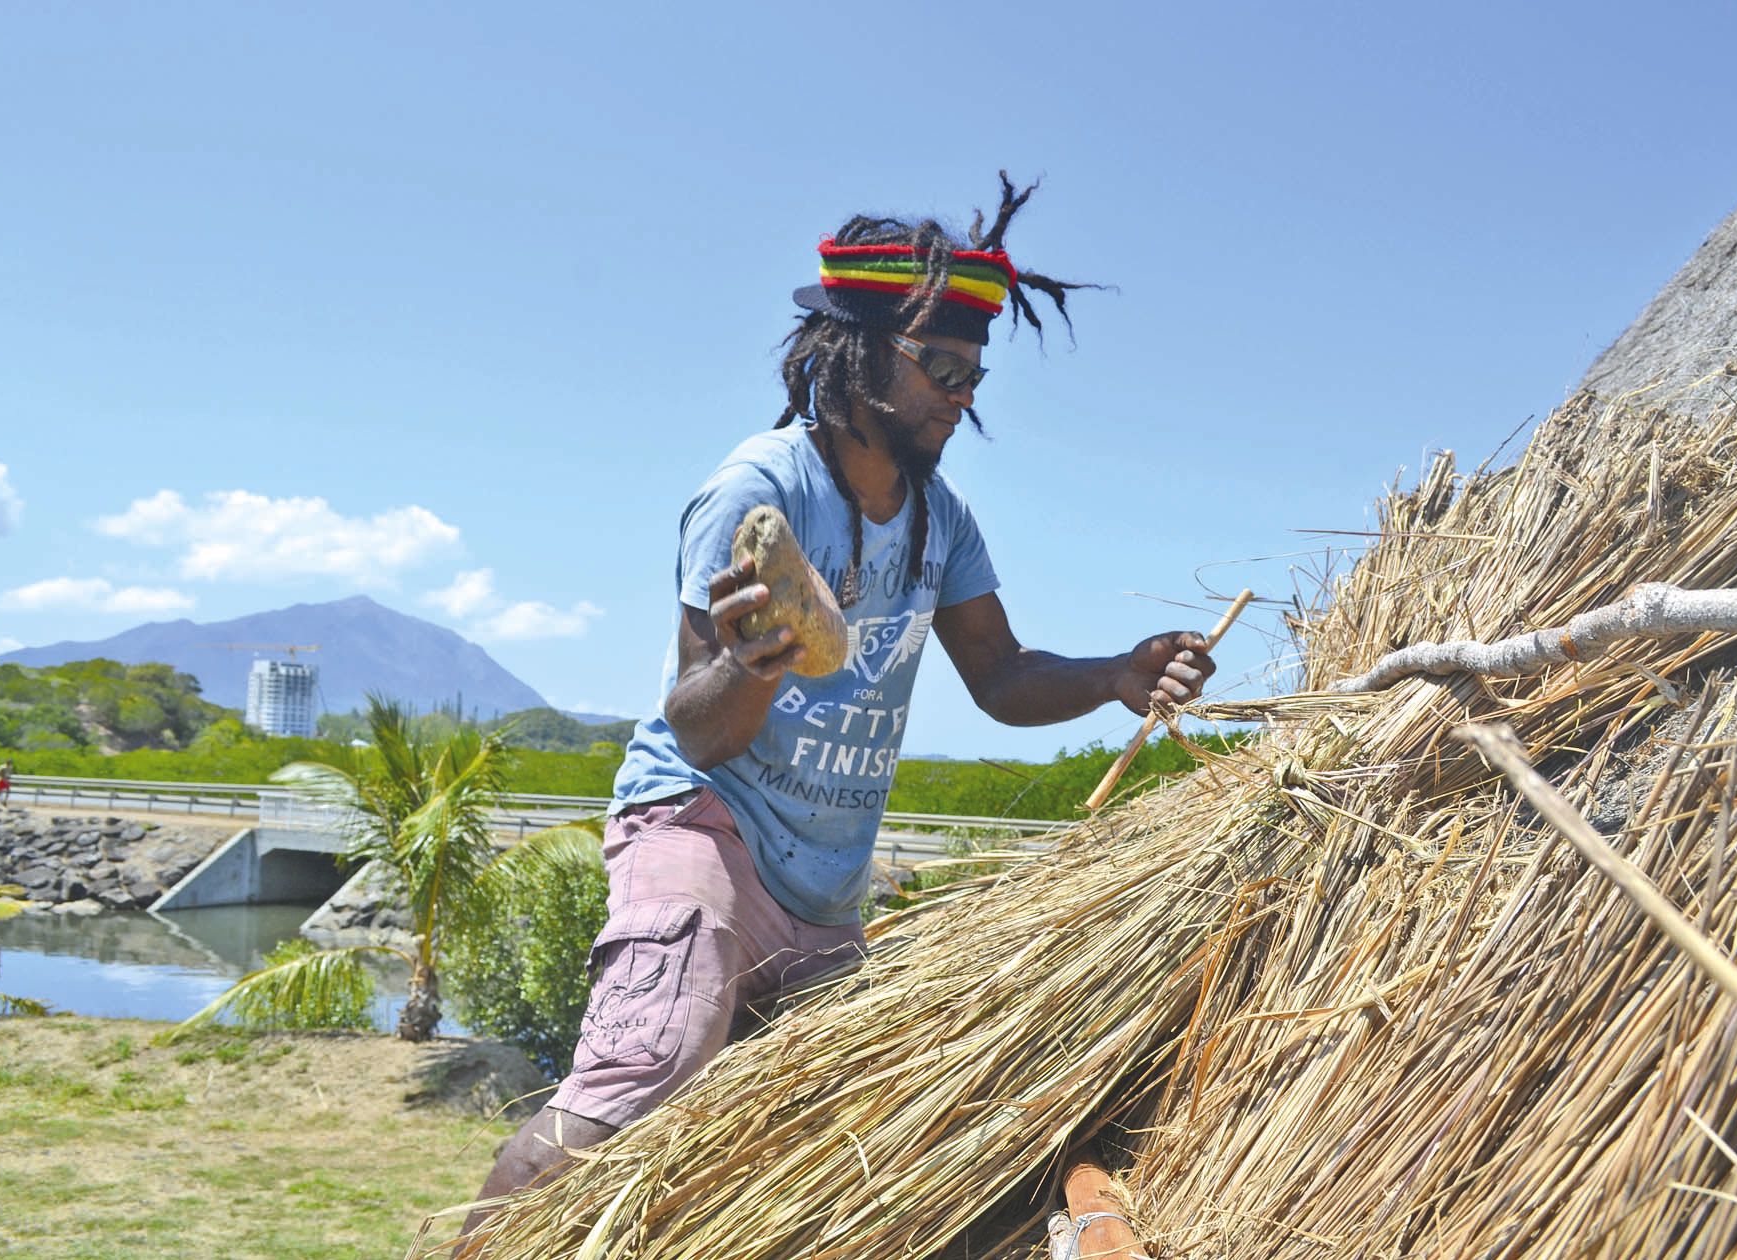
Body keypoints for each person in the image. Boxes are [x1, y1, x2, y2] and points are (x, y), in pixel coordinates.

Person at [467, 174, 1219, 1227]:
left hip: (826, 891)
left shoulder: (939, 522)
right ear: (860, 354)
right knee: (637, 1088)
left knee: (827, 1140)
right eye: (942, 368)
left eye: (973, 373)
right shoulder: (760, 491)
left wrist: (1111, 677)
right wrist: (759, 661)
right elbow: (698, 720)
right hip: (705, 832)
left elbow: (999, 679)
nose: (964, 394)